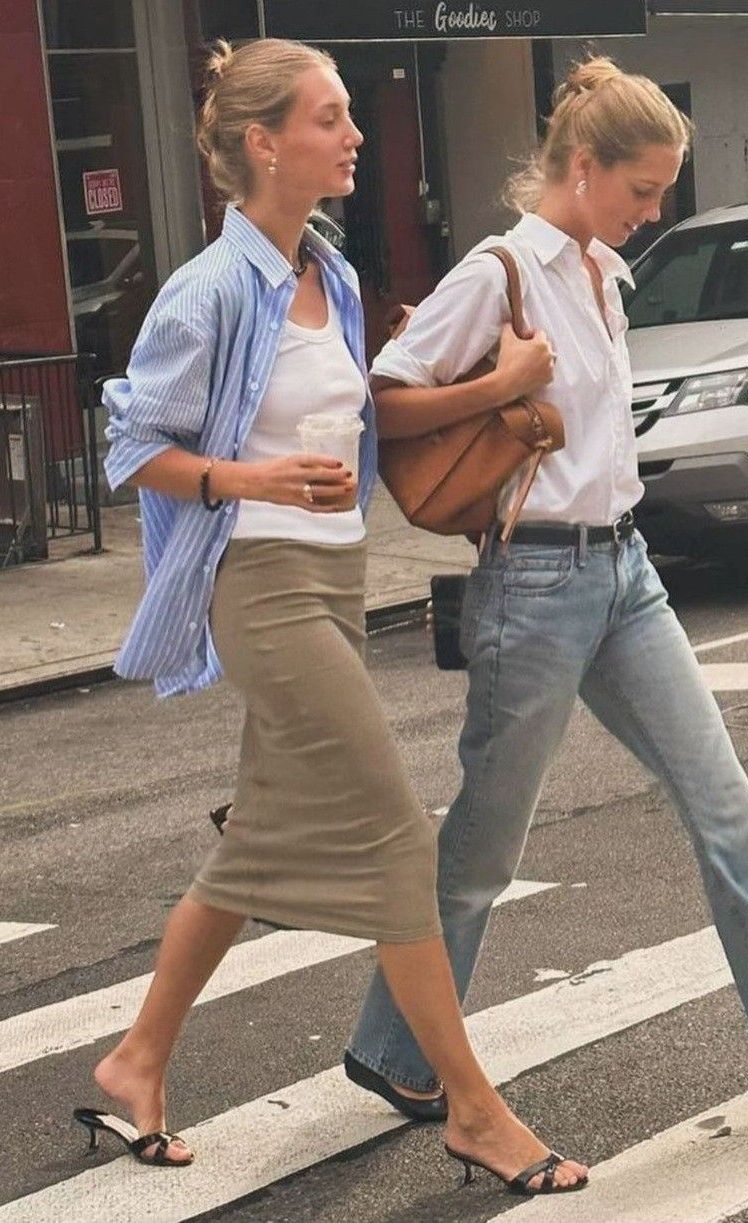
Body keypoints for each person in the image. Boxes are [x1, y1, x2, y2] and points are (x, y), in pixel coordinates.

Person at [346, 56, 748, 1122]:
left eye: (662, 191)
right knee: (484, 844)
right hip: (536, 580)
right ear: (581, 165)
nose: (653, 212)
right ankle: (395, 1045)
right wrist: (501, 385)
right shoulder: (500, 269)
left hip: (627, 571)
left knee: (727, 811)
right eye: (642, 189)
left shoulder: (604, 275)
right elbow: (388, 402)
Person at [74, 38, 587, 1196]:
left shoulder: (335, 273)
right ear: (265, 143)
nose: (354, 132)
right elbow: (130, 446)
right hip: (257, 583)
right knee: (400, 832)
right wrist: (248, 481)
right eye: (331, 115)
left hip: (336, 577)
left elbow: (370, 418)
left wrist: (500, 392)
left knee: (257, 841)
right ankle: (474, 1107)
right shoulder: (207, 290)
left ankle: (135, 1057)